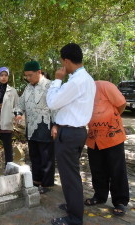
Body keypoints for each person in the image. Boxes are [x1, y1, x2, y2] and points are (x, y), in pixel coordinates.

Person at [46, 43, 96, 225]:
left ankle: (75, 218)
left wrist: (58, 80)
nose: (62, 67)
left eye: (62, 62)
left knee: (70, 175)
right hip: (75, 131)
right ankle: (73, 206)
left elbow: (52, 102)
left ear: (66, 61)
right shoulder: (87, 79)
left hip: (70, 133)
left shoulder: (76, 81)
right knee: (70, 172)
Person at [85, 81, 129, 216]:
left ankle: (120, 201)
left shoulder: (104, 86)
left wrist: (111, 118)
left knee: (116, 169)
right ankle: (99, 196)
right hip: (93, 138)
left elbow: (121, 104)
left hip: (112, 135)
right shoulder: (79, 92)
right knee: (96, 168)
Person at [15, 61, 55, 194]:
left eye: (30, 75)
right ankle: (36, 180)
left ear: (39, 72)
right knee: (34, 155)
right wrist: (19, 114)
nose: (28, 78)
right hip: (31, 127)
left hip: (45, 125)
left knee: (46, 156)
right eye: (26, 76)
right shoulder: (28, 88)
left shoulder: (50, 86)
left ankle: (47, 184)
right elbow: (20, 103)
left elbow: (56, 107)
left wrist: (56, 125)